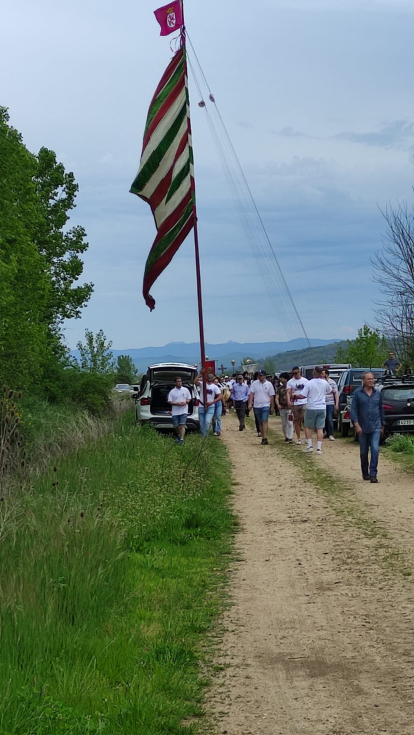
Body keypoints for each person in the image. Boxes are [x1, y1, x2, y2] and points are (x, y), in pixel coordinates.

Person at [350, 371, 385, 483]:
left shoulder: (378, 393)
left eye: (372, 379)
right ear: (364, 381)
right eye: (369, 379)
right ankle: (365, 472)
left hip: (376, 425)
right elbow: (353, 410)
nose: (371, 381)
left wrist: (382, 425)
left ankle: (373, 474)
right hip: (362, 426)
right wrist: (356, 424)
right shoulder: (357, 393)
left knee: (375, 449)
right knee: (364, 451)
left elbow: (381, 409)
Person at [296, 366, 332, 454]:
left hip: (311, 407)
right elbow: (329, 391)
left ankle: (310, 446)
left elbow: (303, 395)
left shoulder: (309, 383)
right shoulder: (324, 383)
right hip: (322, 407)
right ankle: (319, 448)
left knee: (307, 426)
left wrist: (295, 396)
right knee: (320, 428)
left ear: (314, 373)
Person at [248, 369, 275, 445]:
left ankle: (265, 437)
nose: (259, 376)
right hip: (257, 405)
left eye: (261, 375)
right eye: (258, 375)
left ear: (264, 376)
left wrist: (272, 407)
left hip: (266, 405)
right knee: (260, 422)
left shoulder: (269, 384)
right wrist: (250, 403)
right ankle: (263, 436)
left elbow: (271, 396)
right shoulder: (254, 383)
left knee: (264, 420)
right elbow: (251, 394)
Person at [194, 369, 222, 438]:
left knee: (207, 421)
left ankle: (205, 436)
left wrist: (213, 401)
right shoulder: (202, 384)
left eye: (211, 376)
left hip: (210, 406)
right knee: (202, 424)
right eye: (208, 376)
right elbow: (194, 382)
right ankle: (204, 437)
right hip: (201, 406)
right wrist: (200, 374)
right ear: (206, 377)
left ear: (213, 378)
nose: (209, 378)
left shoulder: (215, 387)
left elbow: (220, 396)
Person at [287, 367, 309, 445]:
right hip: (295, 403)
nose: (294, 375)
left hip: (304, 402)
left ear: (299, 372)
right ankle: (299, 438)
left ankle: (307, 437)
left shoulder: (305, 381)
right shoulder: (290, 382)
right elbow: (288, 391)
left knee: (305, 420)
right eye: (293, 373)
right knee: (297, 421)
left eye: (296, 373)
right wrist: (289, 400)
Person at [167, 376, 192, 445]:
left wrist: (186, 402)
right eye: (177, 382)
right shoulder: (172, 392)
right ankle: (179, 435)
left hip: (184, 410)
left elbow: (189, 398)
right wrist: (177, 403)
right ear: (175, 383)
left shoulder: (186, 390)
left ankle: (181, 439)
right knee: (175, 426)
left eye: (180, 381)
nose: (179, 383)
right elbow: (169, 401)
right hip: (175, 411)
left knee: (182, 425)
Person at [321, 368, 339, 441]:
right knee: (323, 419)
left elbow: (336, 393)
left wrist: (336, 403)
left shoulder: (332, 382)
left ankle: (331, 434)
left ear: (327, 374)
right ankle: (325, 432)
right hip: (321, 403)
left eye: (323, 373)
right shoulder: (320, 382)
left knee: (329, 418)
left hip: (330, 403)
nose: (321, 375)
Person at [275, 372, 293, 443]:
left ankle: (290, 437)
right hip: (282, 408)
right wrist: (278, 405)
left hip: (289, 408)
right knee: (284, 423)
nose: (280, 379)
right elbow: (277, 397)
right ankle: (286, 436)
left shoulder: (290, 388)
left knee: (290, 423)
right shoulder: (279, 388)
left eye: (282, 378)